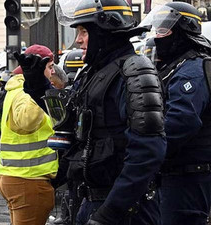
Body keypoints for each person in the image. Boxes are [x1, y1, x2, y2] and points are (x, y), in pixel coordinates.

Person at [41, 1, 166, 224]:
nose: (78, 40)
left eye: (84, 31)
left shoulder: (135, 70)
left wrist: (111, 212)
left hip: (125, 209)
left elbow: (148, 151)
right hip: (91, 200)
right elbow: (70, 121)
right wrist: (36, 88)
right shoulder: (94, 72)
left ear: (106, 30)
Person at [140, 2, 211, 224]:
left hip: (189, 174)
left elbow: (183, 121)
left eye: (164, 30)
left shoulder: (192, 68)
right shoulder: (175, 66)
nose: (157, 36)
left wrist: (147, 151)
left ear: (184, 31)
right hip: (174, 171)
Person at [0, 44, 59, 225]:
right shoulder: (25, 92)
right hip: (28, 178)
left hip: (17, 176)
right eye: (49, 67)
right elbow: (26, 121)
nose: (53, 71)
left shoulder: (15, 88)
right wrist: (40, 93)